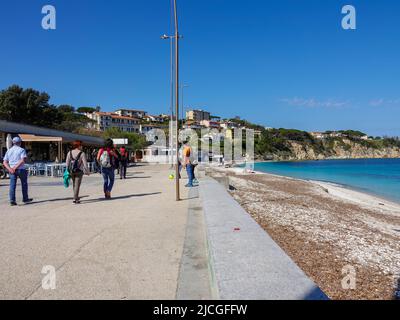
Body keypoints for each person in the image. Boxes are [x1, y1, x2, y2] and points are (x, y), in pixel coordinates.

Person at [3, 136, 33, 206]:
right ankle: (25, 198)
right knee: (24, 184)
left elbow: (5, 162)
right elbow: (22, 160)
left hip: (11, 170)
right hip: (21, 169)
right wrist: (15, 167)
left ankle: (12, 200)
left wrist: (10, 169)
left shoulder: (9, 150)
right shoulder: (21, 150)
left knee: (12, 185)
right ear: (19, 142)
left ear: (13, 143)